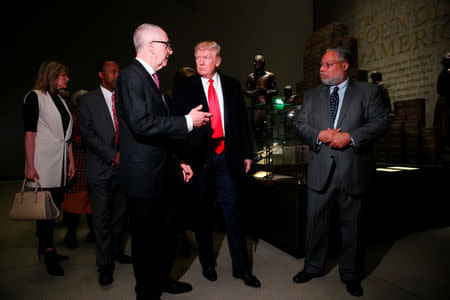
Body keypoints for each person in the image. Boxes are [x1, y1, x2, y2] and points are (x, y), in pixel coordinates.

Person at [114, 23, 211, 300]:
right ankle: (147, 293)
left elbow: (160, 130)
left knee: (167, 235)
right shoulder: (131, 77)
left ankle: (162, 280)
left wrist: (176, 160)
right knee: (146, 243)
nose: (171, 50)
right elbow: (142, 125)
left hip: (162, 173)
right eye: (167, 44)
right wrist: (187, 122)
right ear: (151, 46)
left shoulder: (150, 79)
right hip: (145, 180)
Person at [293, 47, 389, 297]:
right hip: (320, 170)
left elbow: (380, 122)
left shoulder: (369, 92)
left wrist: (352, 137)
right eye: (321, 65)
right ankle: (312, 267)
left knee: (353, 226)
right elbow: (300, 123)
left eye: (328, 64)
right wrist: (318, 135)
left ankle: (351, 274)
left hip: (354, 169)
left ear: (345, 65)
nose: (321, 69)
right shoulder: (312, 95)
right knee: (315, 224)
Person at [171, 41, 261, 288]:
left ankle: (242, 269)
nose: (200, 62)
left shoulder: (232, 85)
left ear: (218, 61)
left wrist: (247, 153)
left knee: (233, 213)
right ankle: (207, 262)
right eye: (197, 57)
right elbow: (176, 125)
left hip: (227, 156)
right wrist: (181, 159)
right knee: (201, 213)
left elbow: (241, 122)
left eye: (206, 57)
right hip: (198, 157)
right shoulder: (183, 86)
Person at [77, 60, 132, 286]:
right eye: (113, 71)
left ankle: (117, 251)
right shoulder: (87, 100)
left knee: (120, 215)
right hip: (100, 169)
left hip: (124, 169)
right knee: (101, 217)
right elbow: (88, 135)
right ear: (101, 75)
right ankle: (105, 264)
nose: (117, 74)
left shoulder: (123, 98)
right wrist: (112, 155)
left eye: (119, 71)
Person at [23, 60, 75, 276]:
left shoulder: (60, 99)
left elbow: (67, 134)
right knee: (45, 210)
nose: (67, 79)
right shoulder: (34, 97)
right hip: (43, 161)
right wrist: (29, 164)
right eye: (64, 75)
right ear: (52, 76)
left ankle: (46, 246)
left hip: (61, 160)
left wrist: (71, 159)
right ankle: (48, 252)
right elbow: (30, 134)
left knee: (54, 208)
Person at [61, 89, 95, 249]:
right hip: (76, 164)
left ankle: (93, 232)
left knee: (90, 200)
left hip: (90, 163)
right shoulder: (72, 118)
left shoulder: (88, 117)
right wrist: (89, 139)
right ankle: (71, 234)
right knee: (74, 201)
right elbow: (68, 139)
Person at [244, 54, 277, 144]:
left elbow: (276, 90)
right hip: (255, 109)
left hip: (267, 107)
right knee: (256, 132)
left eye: (256, 62)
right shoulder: (251, 76)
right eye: (254, 62)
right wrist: (254, 92)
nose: (254, 63)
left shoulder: (269, 75)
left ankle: (269, 153)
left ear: (262, 63)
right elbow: (246, 91)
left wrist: (266, 92)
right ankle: (258, 153)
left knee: (269, 131)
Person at [433, 52, 450, 153]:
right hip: (446, 101)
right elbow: (440, 90)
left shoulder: (442, 73)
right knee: (445, 125)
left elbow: (439, 90)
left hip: (443, 100)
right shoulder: (446, 72)